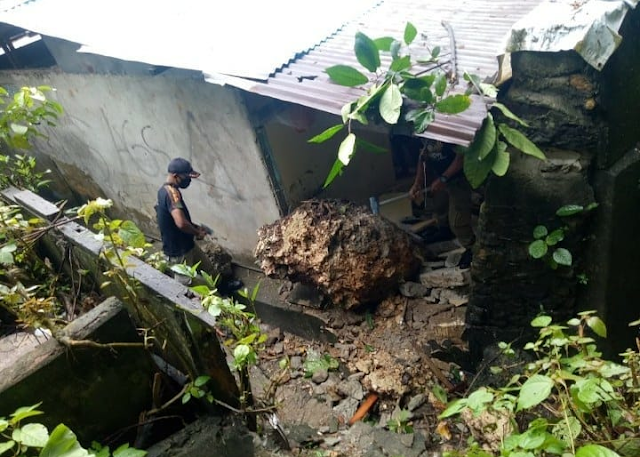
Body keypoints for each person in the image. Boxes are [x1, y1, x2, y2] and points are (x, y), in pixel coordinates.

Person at [156, 157, 242, 291]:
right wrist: (197, 233)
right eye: (186, 177)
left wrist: (195, 227)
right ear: (175, 176)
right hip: (178, 252)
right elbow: (180, 222)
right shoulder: (172, 194)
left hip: (187, 244)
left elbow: (177, 220)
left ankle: (224, 289)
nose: (188, 180)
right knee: (187, 285)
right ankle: (212, 304)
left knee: (209, 270)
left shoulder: (165, 191)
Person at [409, 140, 475, 268]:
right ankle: (444, 231)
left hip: (459, 178)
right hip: (439, 176)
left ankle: (471, 247)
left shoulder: (448, 135)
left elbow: (460, 159)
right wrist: (417, 183)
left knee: (458, 219)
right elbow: (422, 158)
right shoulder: (423, 134)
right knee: (439, 206)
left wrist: (443, 178)